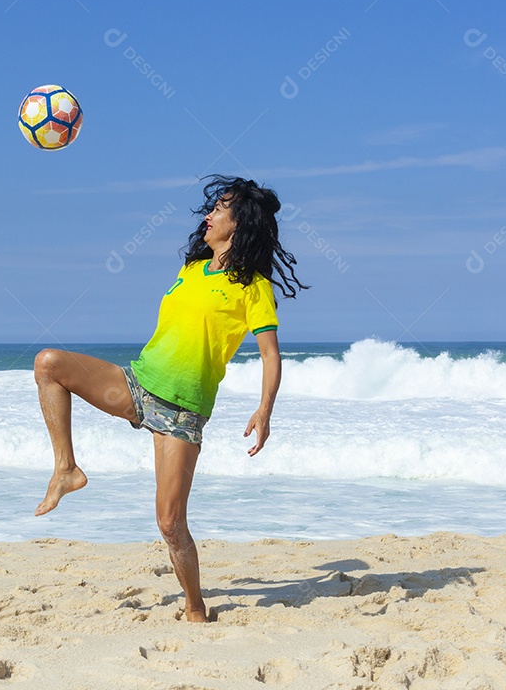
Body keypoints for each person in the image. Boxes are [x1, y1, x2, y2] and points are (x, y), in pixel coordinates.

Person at [33, 175, 308, 622]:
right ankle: (66, 469)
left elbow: (270, 355)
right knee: (48, 363)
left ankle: (195, 608)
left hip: (182, 411)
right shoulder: (191, 270)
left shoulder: (253, 287)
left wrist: (264, 409)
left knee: (169, 524)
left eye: (219, 209)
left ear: (239, 223)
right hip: (137, 386)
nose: (208, 215)